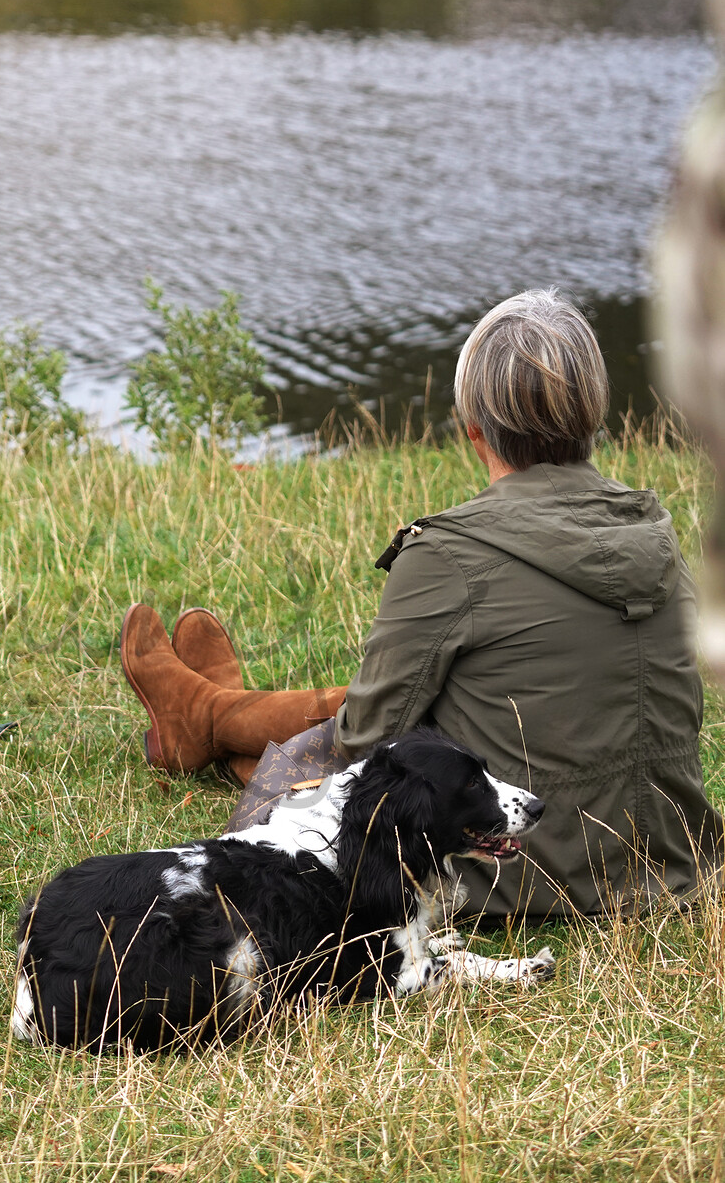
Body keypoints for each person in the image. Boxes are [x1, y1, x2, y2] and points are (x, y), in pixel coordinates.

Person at [118, 289, 722, 918]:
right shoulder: (661, 539)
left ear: (472, 429)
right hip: (670, 863)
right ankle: (203, 716)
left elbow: (365, 743)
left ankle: (207, 717)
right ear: (596, 412)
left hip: (519, 873)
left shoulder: (448, 556)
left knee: (340, 746)